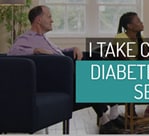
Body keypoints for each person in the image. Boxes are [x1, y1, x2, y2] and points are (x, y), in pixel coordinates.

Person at [7, 5, 122, 134]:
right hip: (58, 78)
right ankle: (110, 116)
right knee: (92, 75)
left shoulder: (44, 38)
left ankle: (107, 117)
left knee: (98, 59)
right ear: (38, 20)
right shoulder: (26, 38)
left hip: (66, 68)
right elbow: (12, 53)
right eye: (49, 16)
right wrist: (34, 50)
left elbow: (59, 52)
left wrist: (73, 49)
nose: (52, 20)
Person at [114, 12, 149, 118]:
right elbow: (122, 59)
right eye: (138, 21)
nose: (141, 23)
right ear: (129, 26)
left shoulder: (141, 37)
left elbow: (145, 57)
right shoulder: (120, 38)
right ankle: (133, 108)